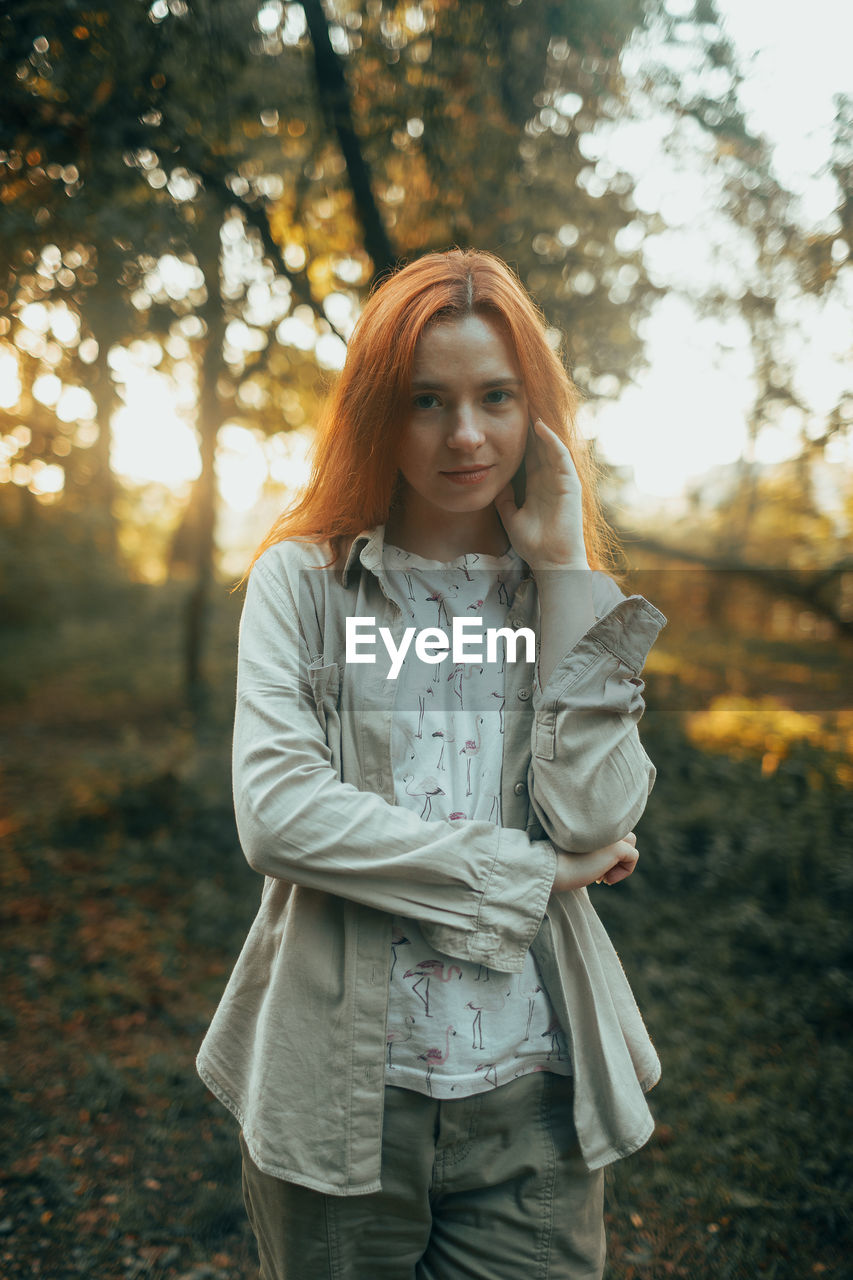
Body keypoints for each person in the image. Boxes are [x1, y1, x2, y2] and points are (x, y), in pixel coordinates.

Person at [197, 249, 667, 1279]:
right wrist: (523, 874)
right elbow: (278, 814)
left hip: (535, 1094)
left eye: (495, 396)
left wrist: (565, 571)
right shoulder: (302, 583)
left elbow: (595, 815)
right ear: (379, 412)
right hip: (339, 1096)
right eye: (426, 400)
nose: (465, 434)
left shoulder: (555, 596)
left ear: (532, 409)